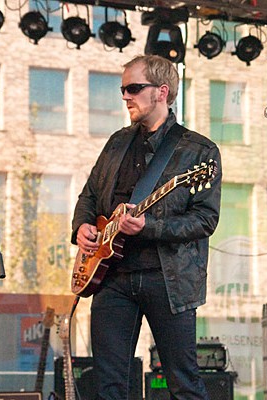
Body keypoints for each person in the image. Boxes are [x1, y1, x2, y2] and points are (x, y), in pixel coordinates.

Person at [71, 54, 222, 400]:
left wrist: (148, 226)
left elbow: (205, 220)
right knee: (109, 385)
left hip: (168, 279)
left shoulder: (199, 151)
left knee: (184, 383)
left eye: (134, 88)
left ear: (161, 92)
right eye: (123, 89)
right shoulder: (117, 142)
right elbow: (90, 195)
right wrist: (82, 226)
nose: (125, 96)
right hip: (111, 276)